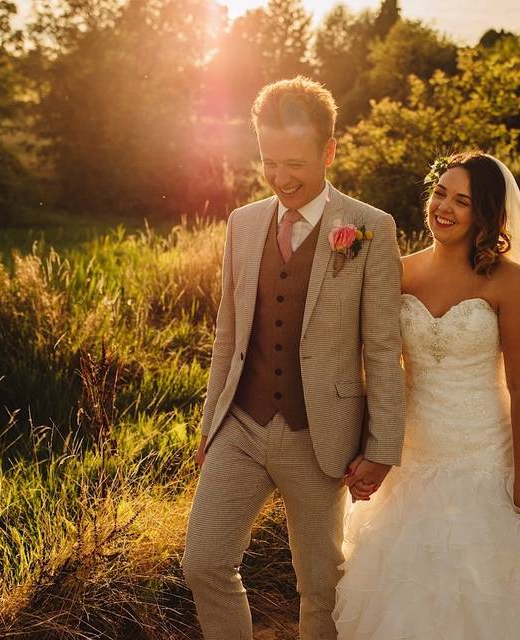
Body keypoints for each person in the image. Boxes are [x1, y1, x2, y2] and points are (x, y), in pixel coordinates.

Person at [333, 151, 520, 639]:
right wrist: (374, 449)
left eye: (462, 201)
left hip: (481, 456)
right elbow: (377, 368)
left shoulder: (508, 281)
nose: (444, 208)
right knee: (405, 588)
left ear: (487, 213)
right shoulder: (399, 272)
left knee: (483, 590)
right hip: (412, 455)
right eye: (439, 194)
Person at [180, 77, 406, 640]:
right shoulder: (243, 223)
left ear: (329, 151)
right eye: (269, 161)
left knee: (321, 586)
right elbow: (227, 336)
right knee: (204, 562)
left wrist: (381, 448)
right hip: (241, 424)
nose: (280, 178)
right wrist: (210, 428)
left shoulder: (370, 229)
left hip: (320, 436)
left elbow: (381, 347)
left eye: (296, 163)